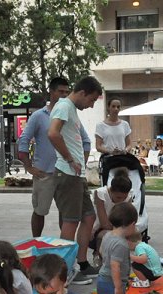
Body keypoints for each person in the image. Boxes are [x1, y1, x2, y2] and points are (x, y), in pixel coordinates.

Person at [18, 77, 92, 237]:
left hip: (67, 173)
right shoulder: (39, 116)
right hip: (45, 173)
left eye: (67, 92)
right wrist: (28, 167)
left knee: (67, 215)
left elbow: (86, 141)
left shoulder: (71, 112)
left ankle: (63, 245)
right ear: (51, 92)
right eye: (60, 91)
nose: (64, 95)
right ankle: (36, 242)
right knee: (40, 211)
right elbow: (24, 140)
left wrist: (80, 165)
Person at [48, 76, 104, 281]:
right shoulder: (64, 106)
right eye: (91, 101)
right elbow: (52, 134)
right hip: (67, 174)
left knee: (88, 217)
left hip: (76, 176)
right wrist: (70, 159)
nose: (90, 106)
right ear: (82, 93)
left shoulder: (70, 109)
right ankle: (65, 270)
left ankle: (82, 263)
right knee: (70, 223)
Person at [96, 202, 138, 294]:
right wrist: (119, 286)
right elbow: (115, 266)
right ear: (131, 224)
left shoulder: (107, 235)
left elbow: (101, 251)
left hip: (102, 279)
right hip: (112, 283)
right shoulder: (121, 243)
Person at [91, 171, 133, 255]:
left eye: (124, 198)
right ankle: (99, 256)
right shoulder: (101, 194)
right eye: (118, 197)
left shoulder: (128, 197)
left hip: (114, 226)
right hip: (96, 228)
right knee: (108, 235)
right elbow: (104, 223)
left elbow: (126, 218)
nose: (121, 201)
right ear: (111, 191)